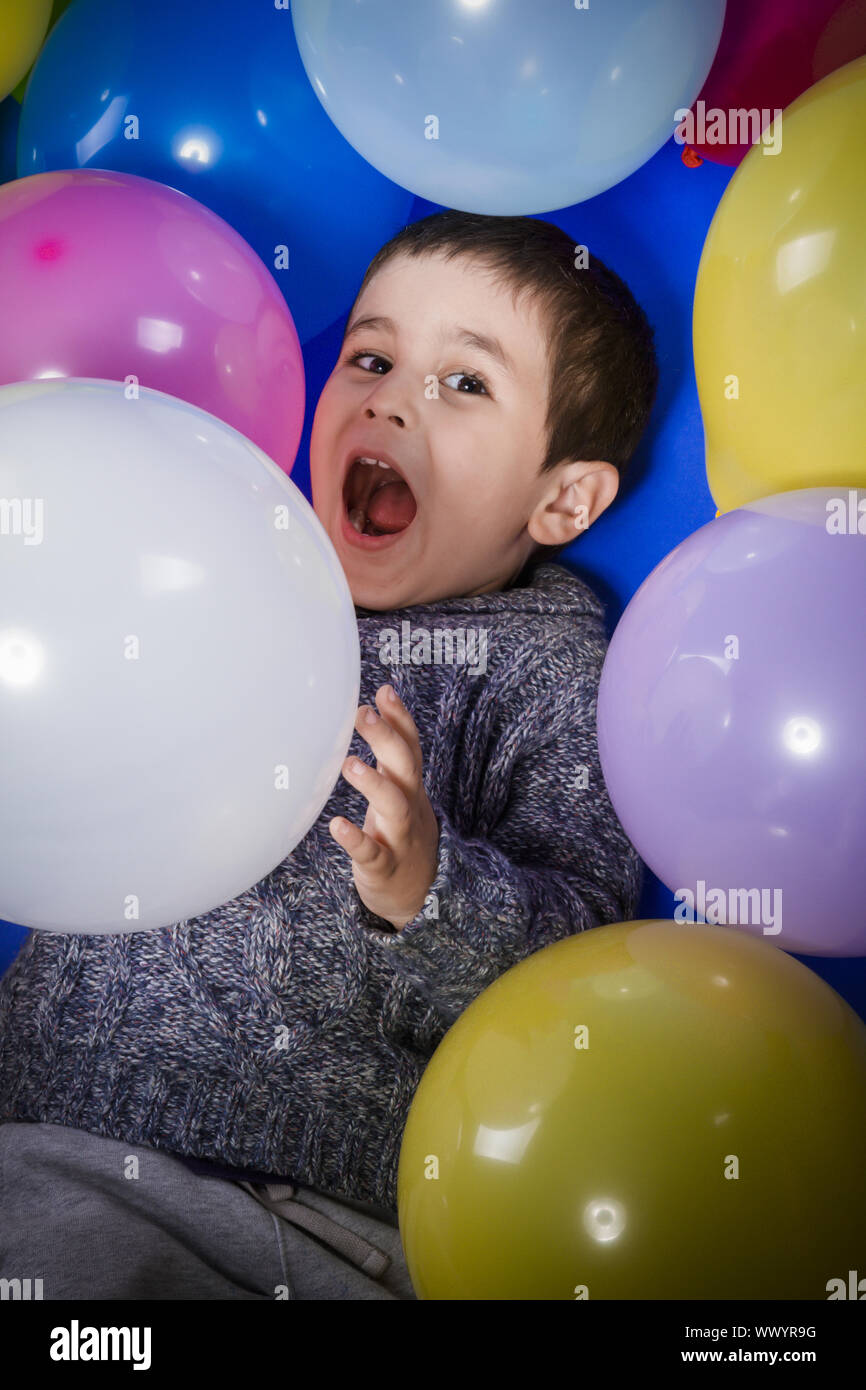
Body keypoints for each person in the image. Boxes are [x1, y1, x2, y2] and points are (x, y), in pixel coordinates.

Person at [0, 210, 658, 1300]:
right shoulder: (203, 559)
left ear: (562, 498)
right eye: (370, 356)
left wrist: (428, 886)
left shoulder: (541, 665)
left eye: (465, 384)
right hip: (46, 1133)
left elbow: (584, 967)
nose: (390, 396)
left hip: (316, 1214)